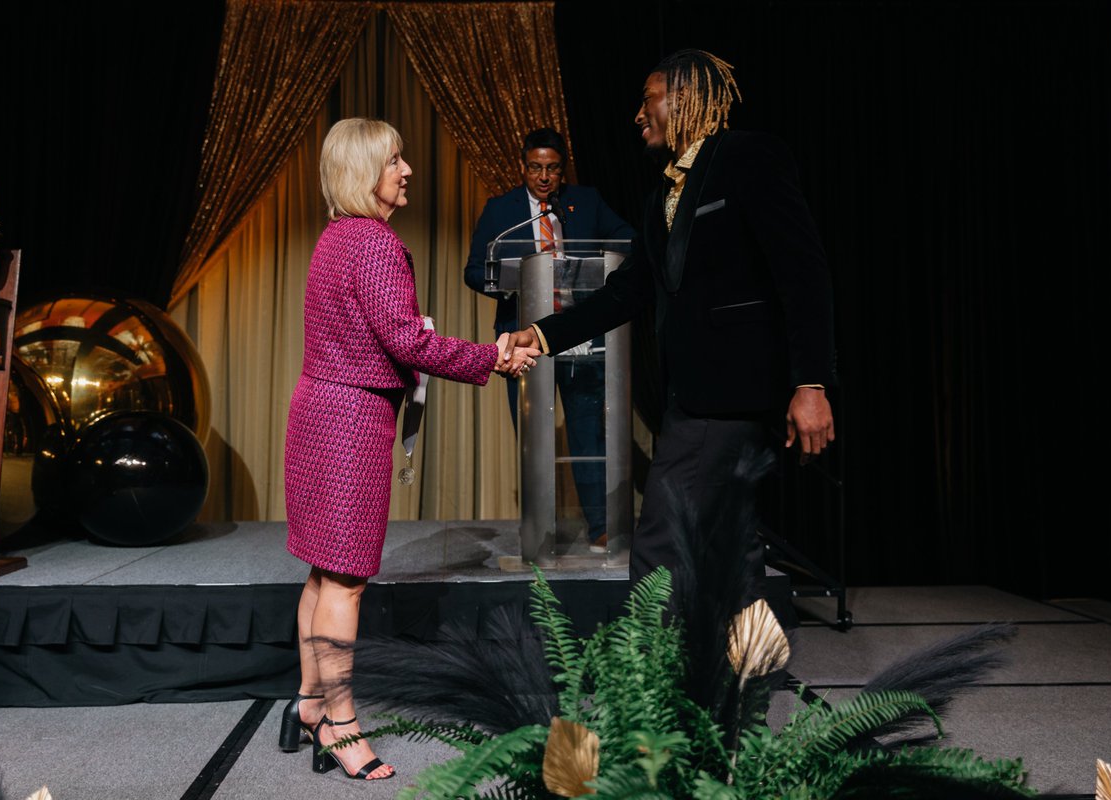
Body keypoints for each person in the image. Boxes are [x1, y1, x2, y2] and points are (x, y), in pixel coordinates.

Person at [503, 50, 836, 597]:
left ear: (682, 99)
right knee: (729, 545)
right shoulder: (661, 195)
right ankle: (740, 671)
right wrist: (541, 335)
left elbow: (803, 273)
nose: (639, 114)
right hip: (689, 400)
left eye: (647, 99)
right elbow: (627, 291)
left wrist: (811, 383)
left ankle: (649, 676)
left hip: (733, 399)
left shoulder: (750, 157)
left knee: (659, 544)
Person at [279, 118, 538, 781]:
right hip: (350, 425)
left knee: (321, 572)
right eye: (394, 159)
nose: (407, 169)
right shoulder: (371, 243)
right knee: (345, 582)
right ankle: (341, 725)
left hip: (319, 411)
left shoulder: (337, 238)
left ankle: (309, 704)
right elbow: (410, 343)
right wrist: (496, 356)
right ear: (364, 171)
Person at [464, 127, 634, 551]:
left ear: (563, 170)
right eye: (536, 168)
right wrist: (506, 283)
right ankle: (539, 531)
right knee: (532, 434)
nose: (544, 176)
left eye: (552, 168)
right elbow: (473, 270)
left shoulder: (586, 202)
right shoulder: (503, 211)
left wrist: (601, 268)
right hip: (523, 341)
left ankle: (599, 526)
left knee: (586, 433)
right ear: (523, 167)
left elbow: (628, 241)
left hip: (580, 339)